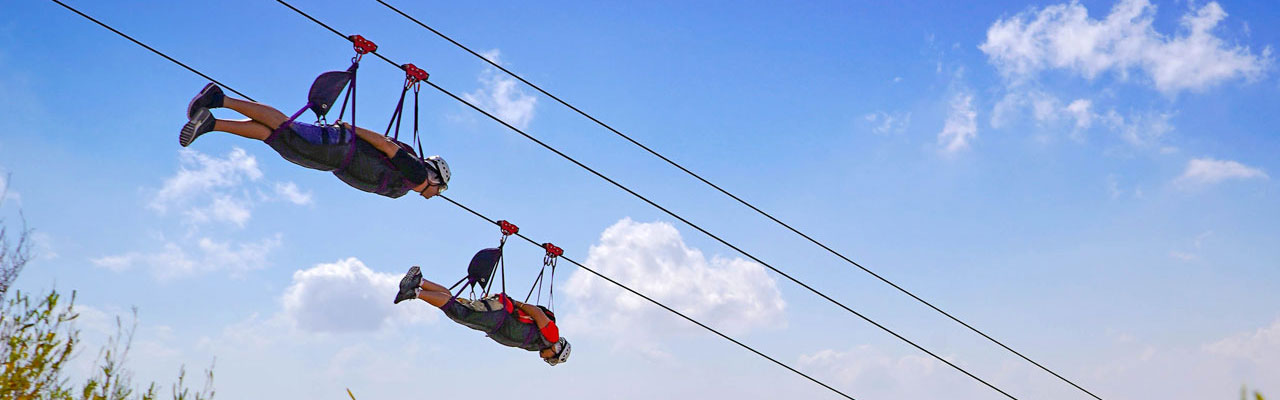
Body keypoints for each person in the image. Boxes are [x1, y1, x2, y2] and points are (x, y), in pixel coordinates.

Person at [179, 83, 450, 199]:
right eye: (440, 189)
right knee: (286, 129)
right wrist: (352, 128)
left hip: (334, 158)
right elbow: (386, 145)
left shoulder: (404, 185)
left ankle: (211, 124)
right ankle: (219, 99)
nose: (436, 194)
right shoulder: (415, 173)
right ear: (434, 178)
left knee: (276, 138)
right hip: (339, 148)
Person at [394, 266, 571, 366]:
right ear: (557, 350)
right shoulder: (551, 337)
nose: (546, 359)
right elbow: (538, 313)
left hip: (494, 322)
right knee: (459, 312)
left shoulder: (537, 345)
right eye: (551, 358)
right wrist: (515, 303)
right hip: (499, 314)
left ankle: (420, 281)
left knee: (455, 305)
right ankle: (414, 292)